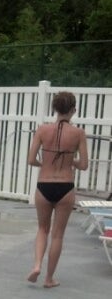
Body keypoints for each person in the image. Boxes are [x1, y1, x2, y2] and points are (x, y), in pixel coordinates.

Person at [27, 91, 88, 288]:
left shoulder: (42, 130)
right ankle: (49, 278)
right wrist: (70, 161)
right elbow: (84, 165)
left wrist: (44, 164)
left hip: (44, 184)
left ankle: (37, 265)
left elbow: (31, 160)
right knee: (58, 234)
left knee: (42, 229)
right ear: (73, 110)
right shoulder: (78, 133)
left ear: (54, 108)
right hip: (65, 186)